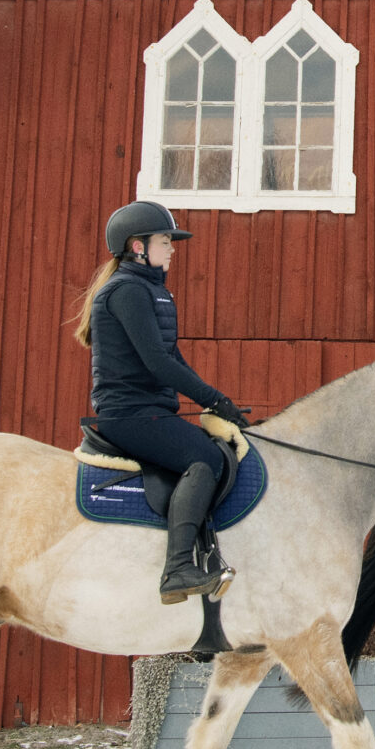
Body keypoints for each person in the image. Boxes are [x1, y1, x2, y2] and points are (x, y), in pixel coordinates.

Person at [72, 201, 248, 602]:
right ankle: (178, 569)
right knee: (205, 458)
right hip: (129, 414)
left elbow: (172, 357)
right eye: (165, 241)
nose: (171, 249)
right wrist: (213, 398)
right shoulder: (127, 291)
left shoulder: (151, 290)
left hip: (149, 410)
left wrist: (217, 402)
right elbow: (157, 362)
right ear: (138, 247)